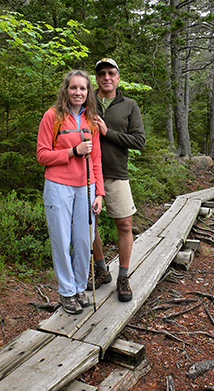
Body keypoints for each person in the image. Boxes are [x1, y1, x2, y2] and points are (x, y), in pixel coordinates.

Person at [37, 70, 105, 314]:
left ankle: (78, 288)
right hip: (58, 186)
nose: (78, 92)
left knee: (83, 241)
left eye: (83, 89)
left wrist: (99, 193)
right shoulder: (52, 117)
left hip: (85, 187)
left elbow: (96, 159)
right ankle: (66, 292)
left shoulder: (91, 120)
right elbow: (42, 155)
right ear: (66, 90)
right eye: (73, 88)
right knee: (62, 241)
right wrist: (72, 151)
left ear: (88, 92)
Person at [87, 58, 145, 302]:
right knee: (90, 226)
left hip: (116, 174)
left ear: (118, 77)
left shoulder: (129, 105)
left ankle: (123, 277)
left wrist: (107, 133)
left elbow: (139, 141)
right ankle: (102, 271)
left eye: (111, 73)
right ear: (97, 78)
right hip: (87, 176)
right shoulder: (86, 102)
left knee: (124, 226)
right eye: (102, 74)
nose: (107, 77)